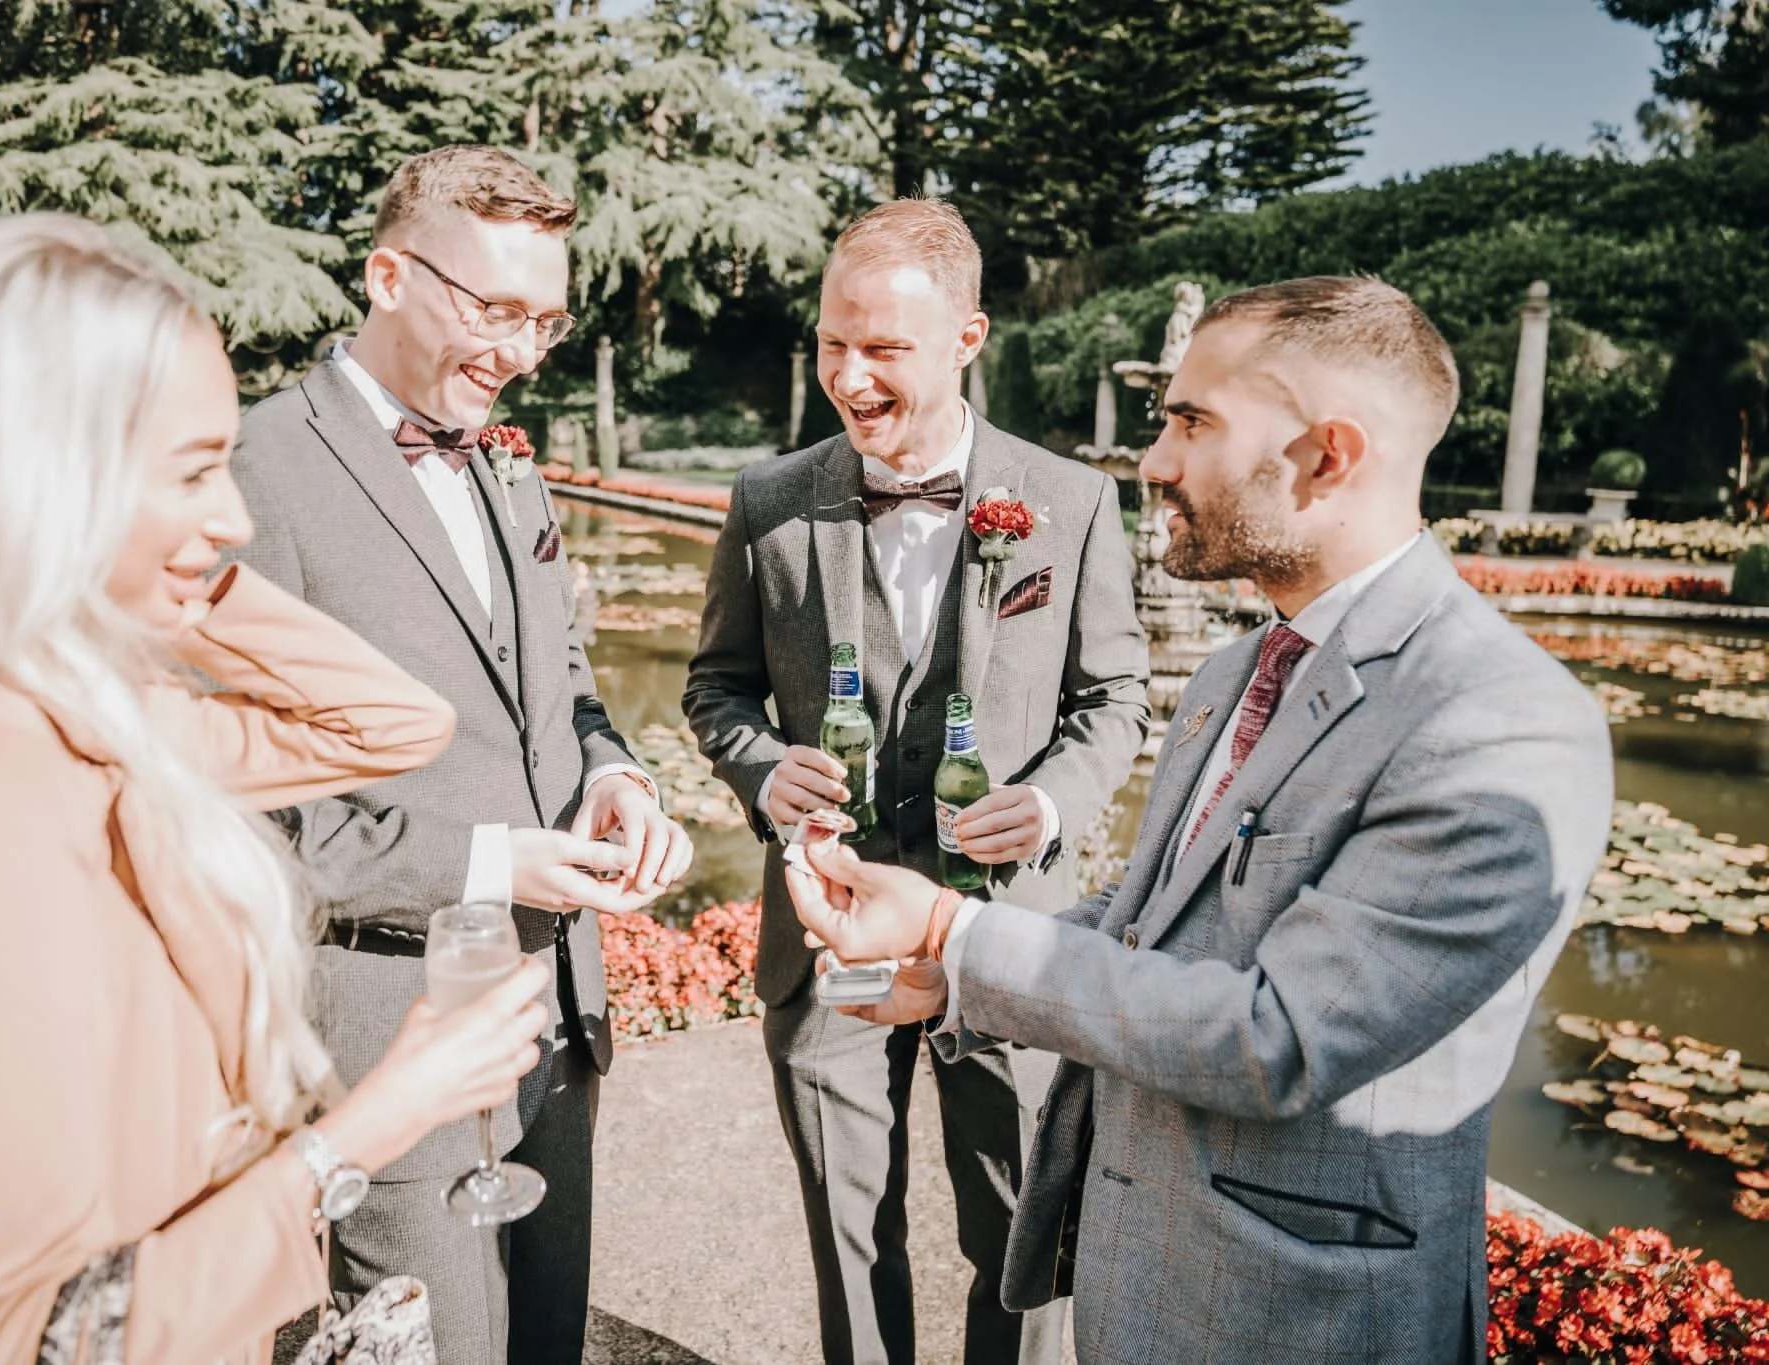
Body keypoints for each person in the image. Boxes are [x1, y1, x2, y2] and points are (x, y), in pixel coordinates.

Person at [0, 214, 552, 1365]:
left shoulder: (91, 716)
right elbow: (44, 1334)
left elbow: (394, 723)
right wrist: (379, 1120)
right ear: (32, 474)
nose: (233, 521)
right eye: (189, 471)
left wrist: (179, 578)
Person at [783, 275, 1616, 1365]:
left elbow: (1278, 1040)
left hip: (1299, 1316)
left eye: (1191, 423)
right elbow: (1155, 921)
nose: (1155, 459)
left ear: (1327, 455)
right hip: (1142, 1279)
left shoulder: (1500, 721)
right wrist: (951, 984)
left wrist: (956, 931)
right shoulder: (1238, 667)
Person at [231, 144, 693, 1364]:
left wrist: (615, 778)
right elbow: (241, 814)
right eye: (495, 311)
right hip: (387, 1024)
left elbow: (570, 689)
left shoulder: (504, 462)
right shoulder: (255, 470)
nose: (524, 351)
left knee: (543, 1342)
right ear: (388, 274)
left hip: (556, 1018)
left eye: (546, 319)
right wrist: (494, 860)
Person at [682, 199, 1150, 1365]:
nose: (848, 374)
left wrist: (1046, 804)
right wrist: (759, 764)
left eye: (882, 348)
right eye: (833, 341)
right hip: (831, 933)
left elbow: (1115, 703)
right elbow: (713, 688)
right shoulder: (769, 501)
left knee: (1020, 1235)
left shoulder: (1072, 504)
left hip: (1002, 944)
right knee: (848, 1229)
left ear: (966, 338)